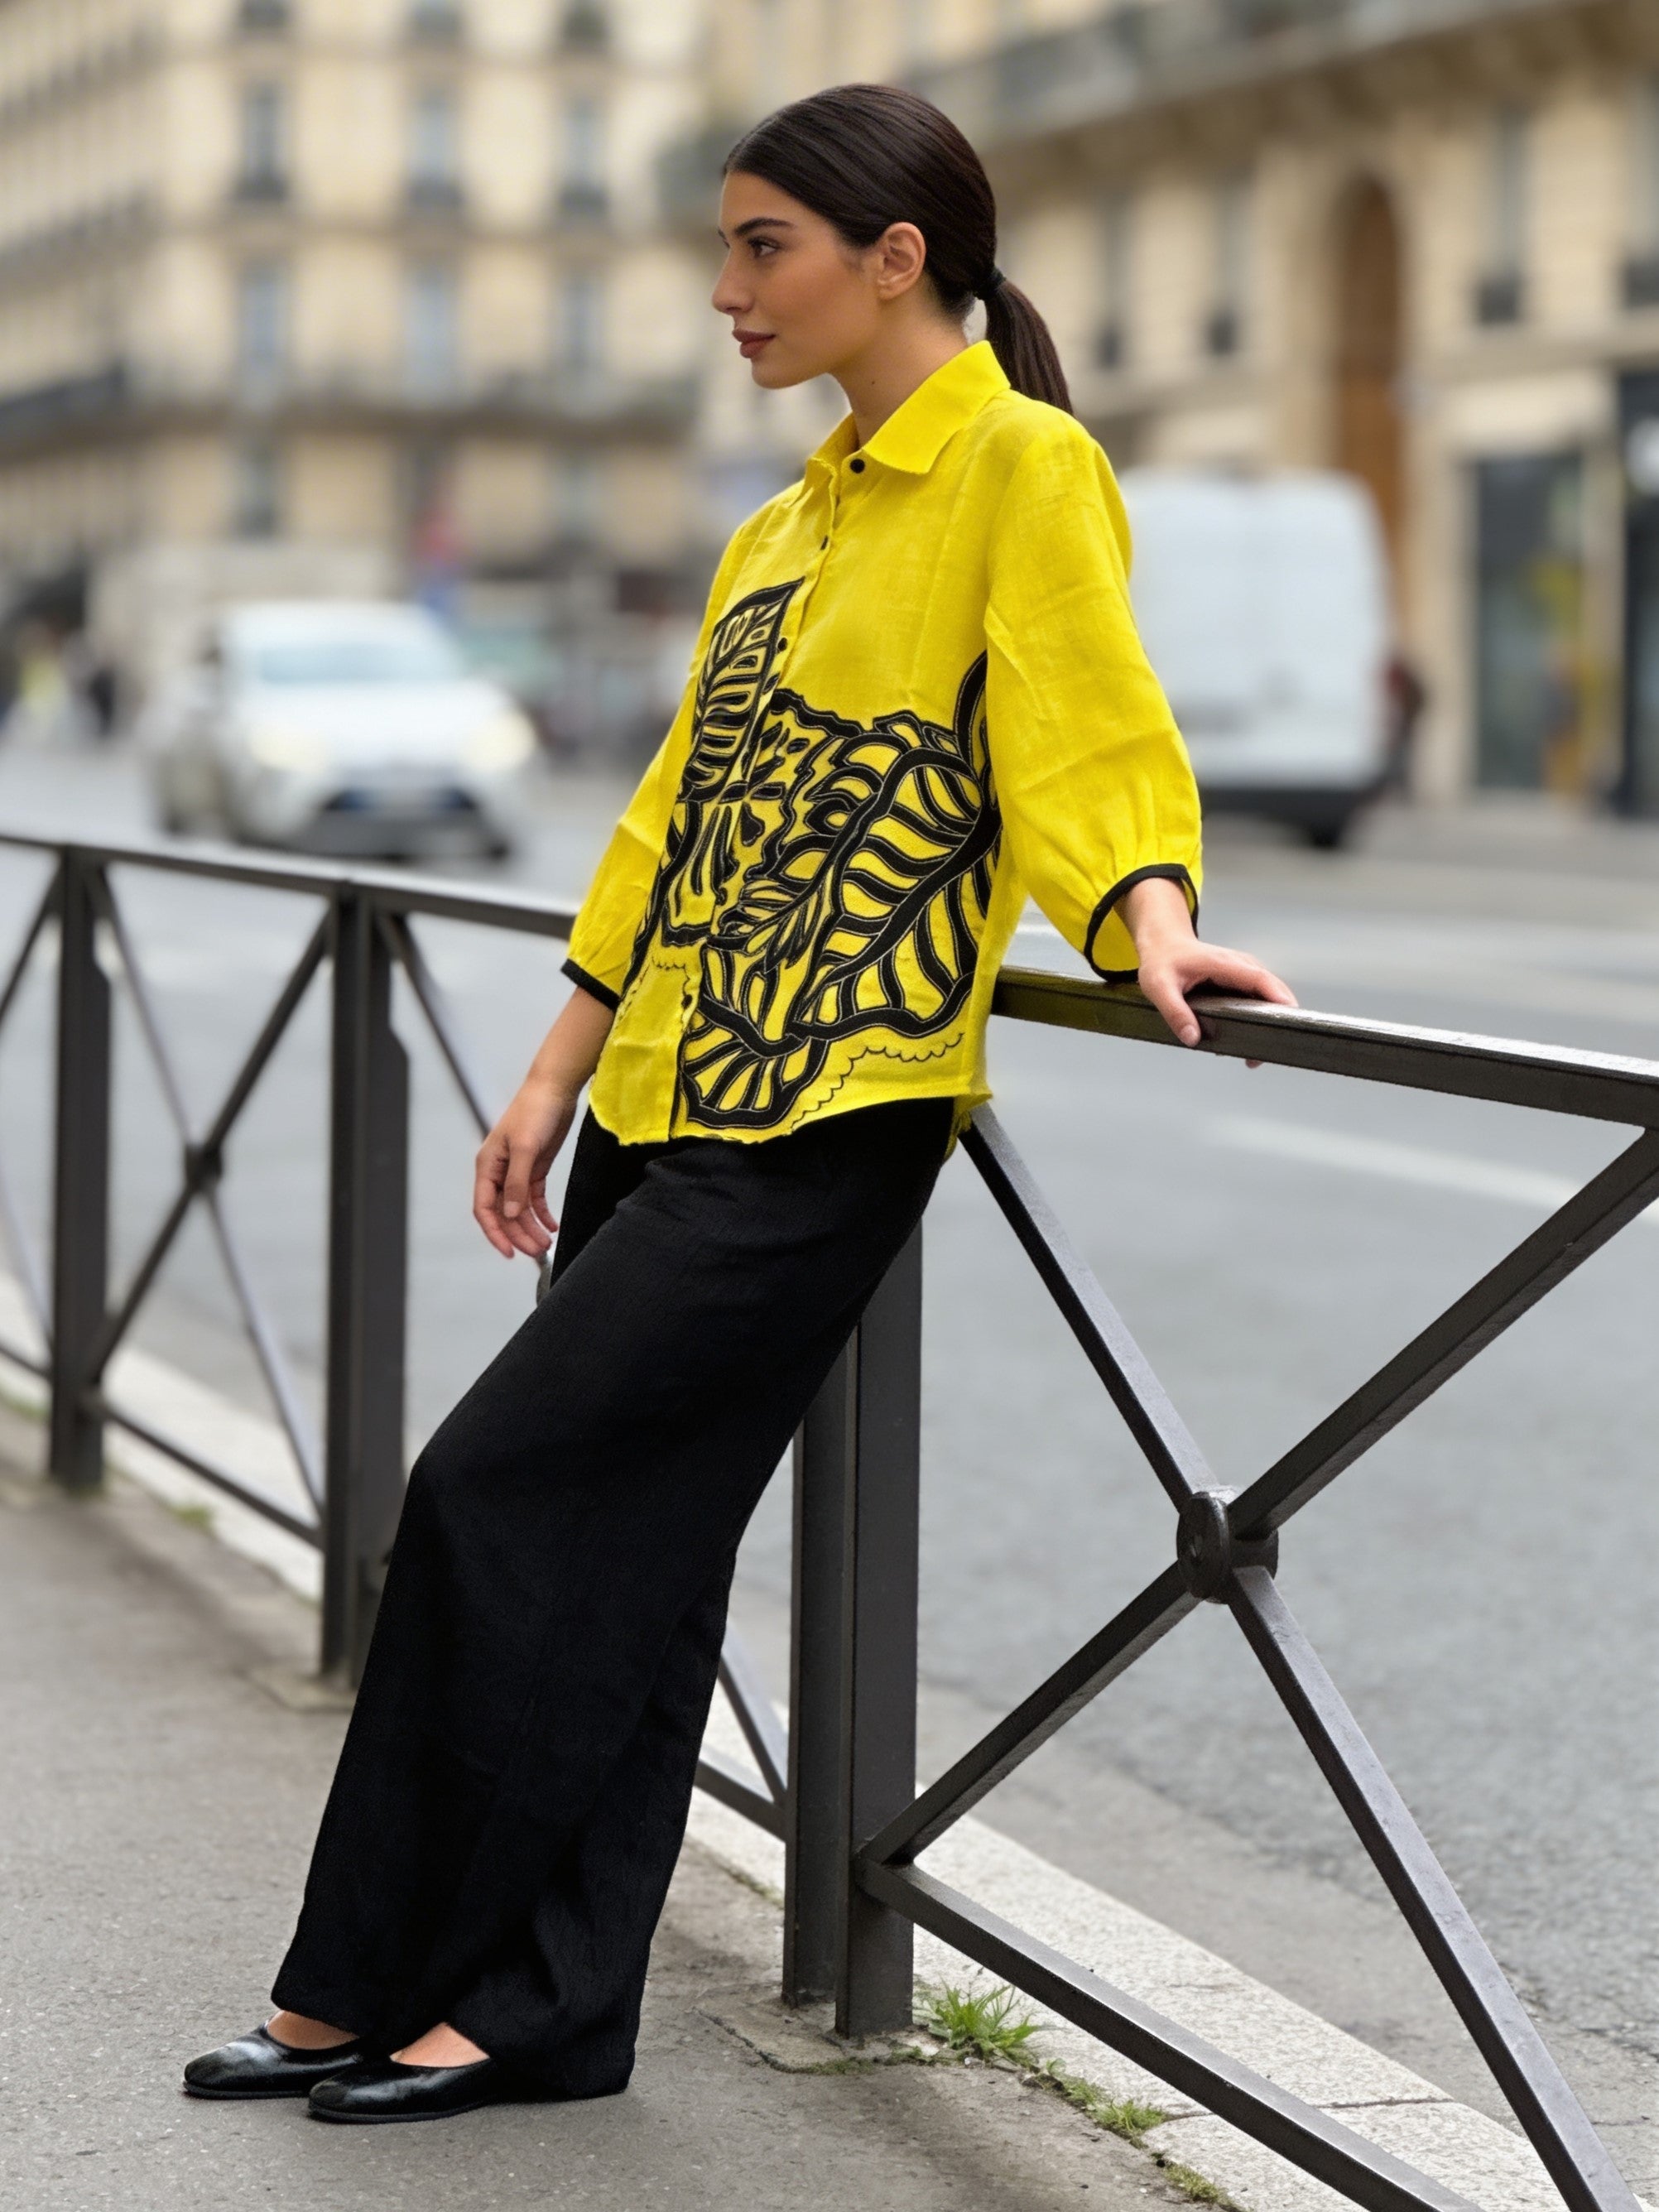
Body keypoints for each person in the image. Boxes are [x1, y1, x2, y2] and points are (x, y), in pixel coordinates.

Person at [183, 82, 1295, 2127]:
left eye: (763, 246)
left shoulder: (1022, 466)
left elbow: (1083, 716)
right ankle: (497, 2004)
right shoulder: (784, 526)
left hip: (833, 1110)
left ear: (896, 258)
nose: (727, 290)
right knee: (634, 1552)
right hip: (664, 1085)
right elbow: (669, 816)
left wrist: (1150, 914)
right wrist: (552, 1070)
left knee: (491, 1489)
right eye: (725, 248)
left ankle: (409, 1981)